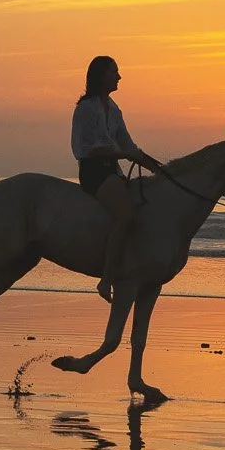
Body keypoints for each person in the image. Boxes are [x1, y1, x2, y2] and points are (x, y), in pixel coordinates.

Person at [70, 56, 164, 302]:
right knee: (125, 214)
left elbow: (129, 146)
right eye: (115, 72)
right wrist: (123, 153)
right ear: (101, 76)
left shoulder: (114, 109)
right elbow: (88, 149)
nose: (119, 77)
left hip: (112, 170)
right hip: (94, 171)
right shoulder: (86, 109)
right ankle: (107, 279)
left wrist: (157, 169)